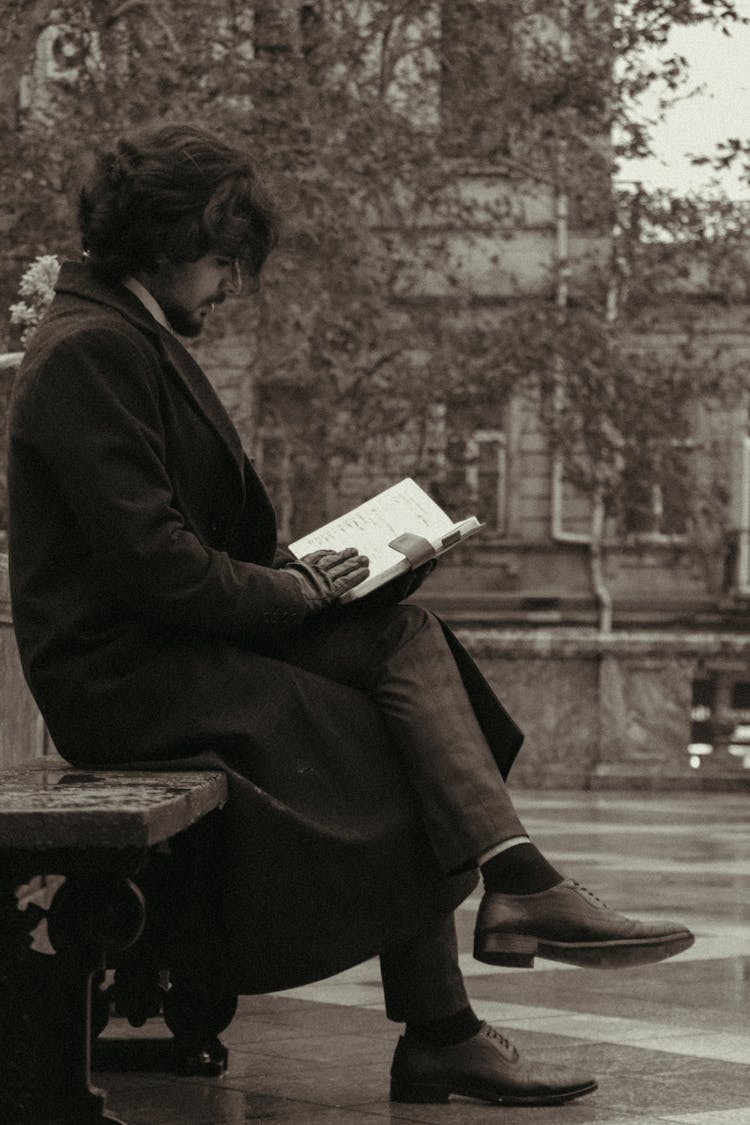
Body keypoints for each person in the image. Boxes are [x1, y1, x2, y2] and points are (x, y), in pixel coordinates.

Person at [7, 124, 694, 1108]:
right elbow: (152, 567)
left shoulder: (122, 337)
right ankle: (463, 994)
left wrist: (334, 572)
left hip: (175, 642)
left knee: (404, 637)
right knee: (394, 734)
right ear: (172, 239)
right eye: (222, 259)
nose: (228, 285)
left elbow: (178, 551)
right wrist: (295, 591)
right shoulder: (91, 352)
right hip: (131, 677)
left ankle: (507, 906)